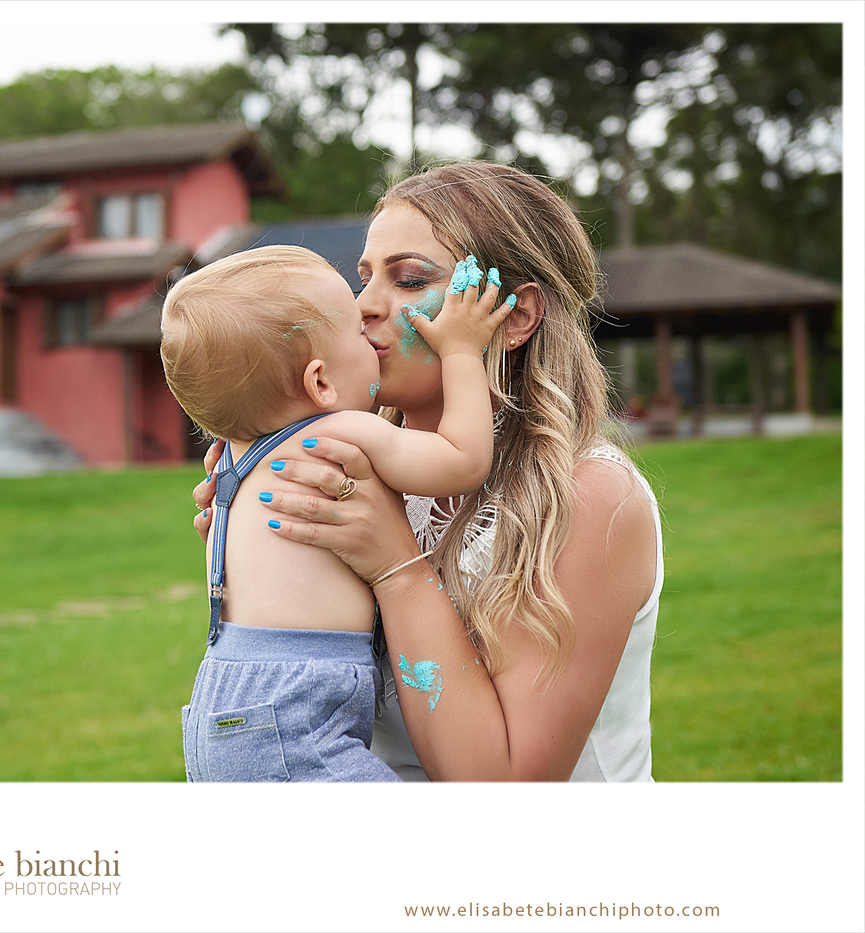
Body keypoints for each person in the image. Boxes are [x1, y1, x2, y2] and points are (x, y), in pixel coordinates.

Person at [195, 162, 662, 781]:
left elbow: (504, 789)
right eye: (362, 281)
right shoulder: (355, 472)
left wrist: (396, 568)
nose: (363, 308)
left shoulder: (589, 497)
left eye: (410, 280)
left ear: (515, 317)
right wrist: (267, 555)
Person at [162, 244, 514, 781]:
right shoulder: (337, 433)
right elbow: (463, 460)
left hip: (222, 702)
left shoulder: (230, 464)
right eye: (355, 330)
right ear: (320, 383)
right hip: (294, 719)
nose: (370, 327)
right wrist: (464, 352)